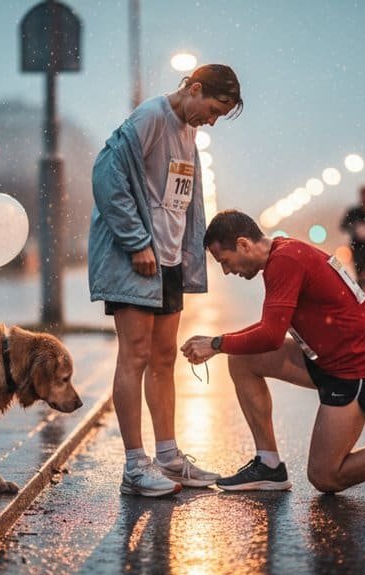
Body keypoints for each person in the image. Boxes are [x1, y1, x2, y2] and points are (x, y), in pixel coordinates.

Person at [180, 209, 365, 493]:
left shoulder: (285, 262)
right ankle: (268, 465)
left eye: (226, 262)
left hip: (357, 369)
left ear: (243, 244)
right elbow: (272, 326)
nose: (227, 271)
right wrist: (218, 342)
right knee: (242, 361)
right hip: (326, 357)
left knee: (325, 476)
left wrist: (216, 344)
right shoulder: (282, 254)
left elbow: (270, 336)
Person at [88, 64, 243, 497]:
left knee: (161, 359)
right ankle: (135, 466)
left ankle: (169, 458)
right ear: (194, 89)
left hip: (168, 260)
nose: (211, 121)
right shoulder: (151, 117)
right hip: (135, 258)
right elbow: (105, 176)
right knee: (133, 356)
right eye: (212, 109)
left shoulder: (188, 130)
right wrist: (137, 242)